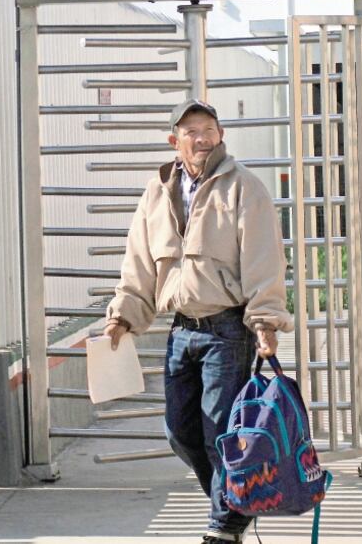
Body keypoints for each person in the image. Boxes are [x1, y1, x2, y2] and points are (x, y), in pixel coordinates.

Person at [104, 99, 293, 544]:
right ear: (175, 142)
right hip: (182, 328)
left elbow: (264, 257)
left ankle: (223, 528)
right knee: (181, 432)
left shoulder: (243, 187)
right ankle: (235, 503)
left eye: (209, 129)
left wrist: (264, 320)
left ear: (221, 134)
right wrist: (123, 316)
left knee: (218, 431)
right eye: (192, 132)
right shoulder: (157, 192)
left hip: (227, 328)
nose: (203, 137)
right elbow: (139, 263)